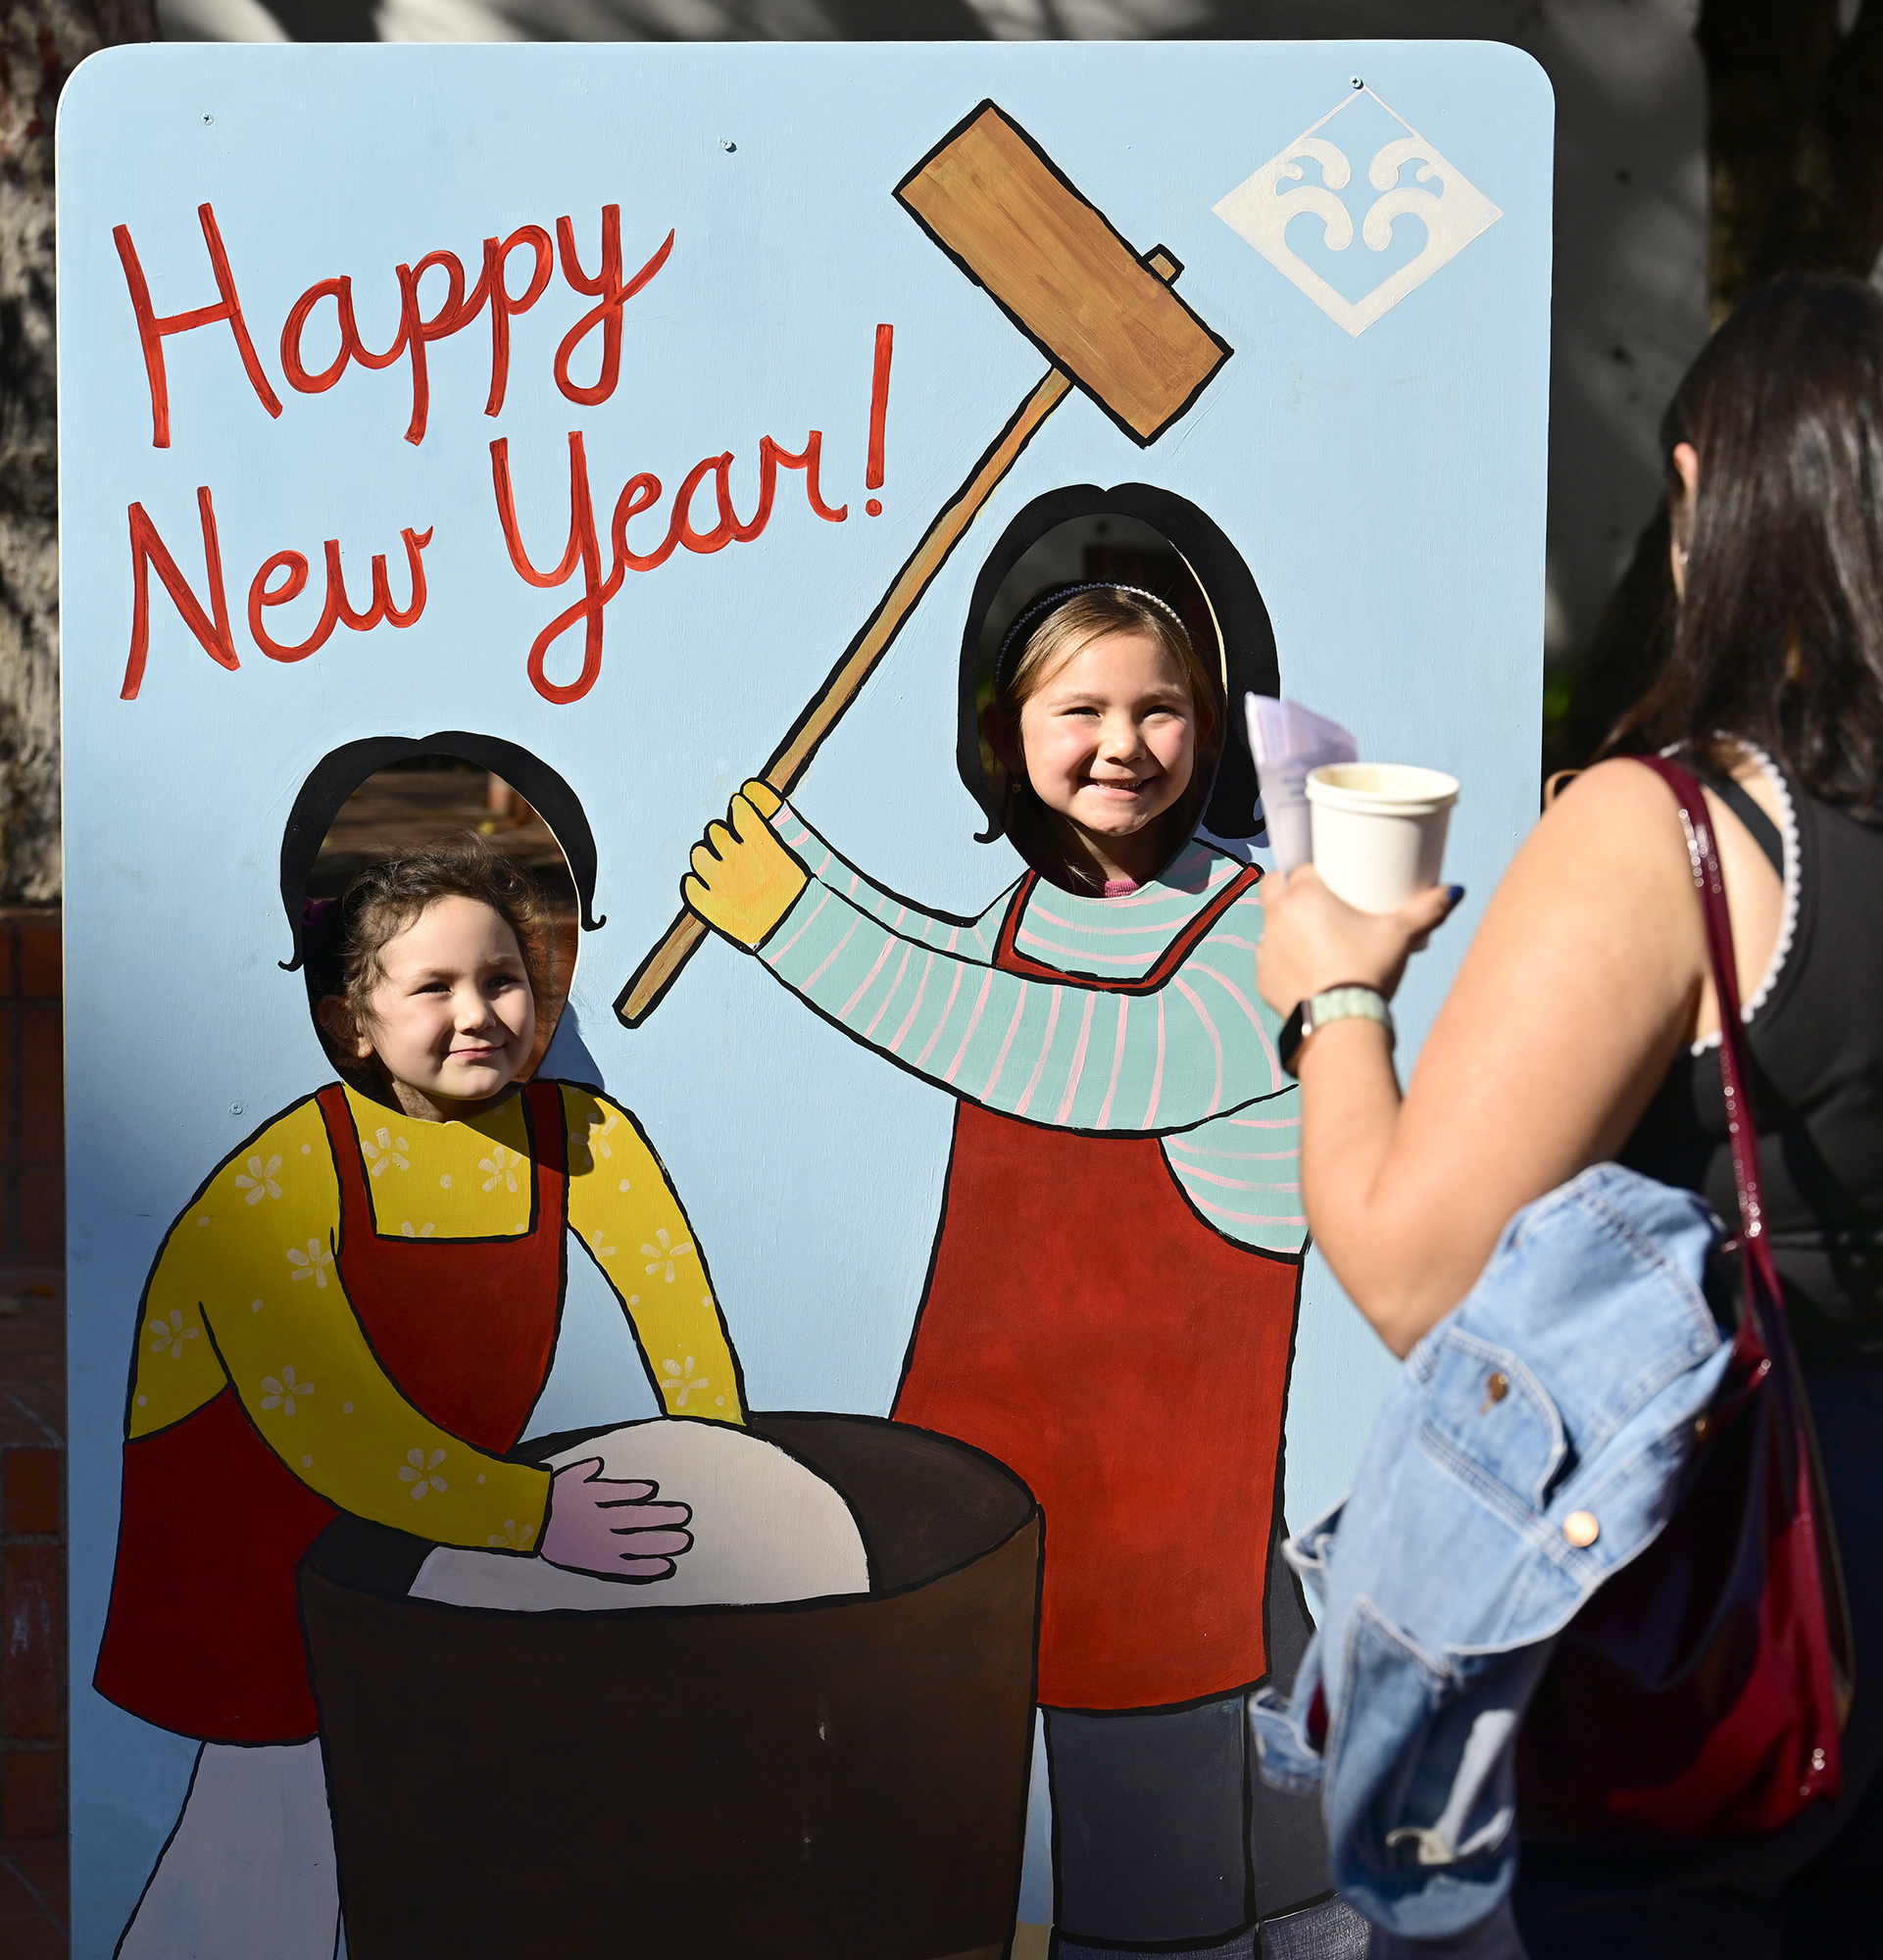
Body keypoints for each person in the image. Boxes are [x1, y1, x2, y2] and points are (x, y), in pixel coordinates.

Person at [1253, 271, 1883, 1957]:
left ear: (1707, 494)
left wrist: (1334, 994)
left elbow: (1411, 1270)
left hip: (1727, 1621)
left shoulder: (1671, 834)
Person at [684, 584, 1355, 1958]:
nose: (1124, 741)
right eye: (1081, 711)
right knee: (954, 1859)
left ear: (1211, 727)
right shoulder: (1032, 912)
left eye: (1159, 707)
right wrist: (799, 865)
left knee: (1157, 1900)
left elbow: (1068, 1059)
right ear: (1007, 733)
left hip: (1160, 1538)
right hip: (995, 1487)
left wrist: (796, 922)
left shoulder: (1257, 937)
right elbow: (950, 970)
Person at [97, 838, 745, 1960]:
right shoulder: (285, 1175)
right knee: (267, 1845)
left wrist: (733, 1500)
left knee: (424, 1834)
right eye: (432, 986)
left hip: (426, 1531)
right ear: (355, 1019)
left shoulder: (586, 1143)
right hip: (258, 1553)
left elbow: (689, 1347)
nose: (478, 1011)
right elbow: (335, 1429)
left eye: (501, 978)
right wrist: (543, 1519)